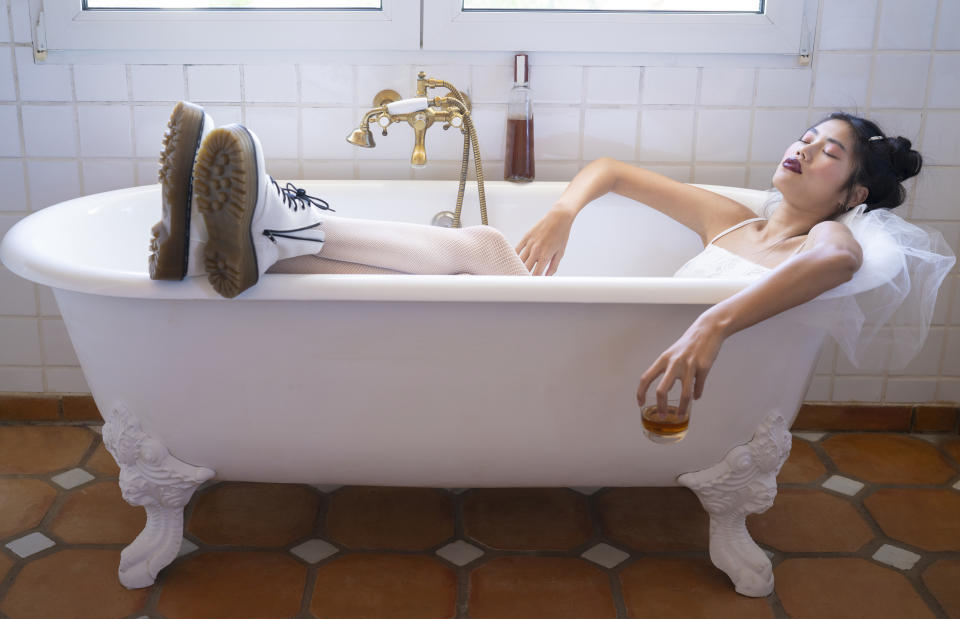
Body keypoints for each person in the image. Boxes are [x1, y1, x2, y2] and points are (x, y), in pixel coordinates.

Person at [149, 103, 954, 420]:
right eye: (808, 136)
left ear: (852, 193)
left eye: (829, 154)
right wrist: (567, 208)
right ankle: (266, 239)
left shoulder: (829, 240)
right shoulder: (730, 220)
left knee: (483, 251)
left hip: (624, 384)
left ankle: (276, 229)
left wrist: (714, 322)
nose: (806, 148)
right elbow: (609, 170)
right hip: (576, 354)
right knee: (483, 251)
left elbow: (840, 262)